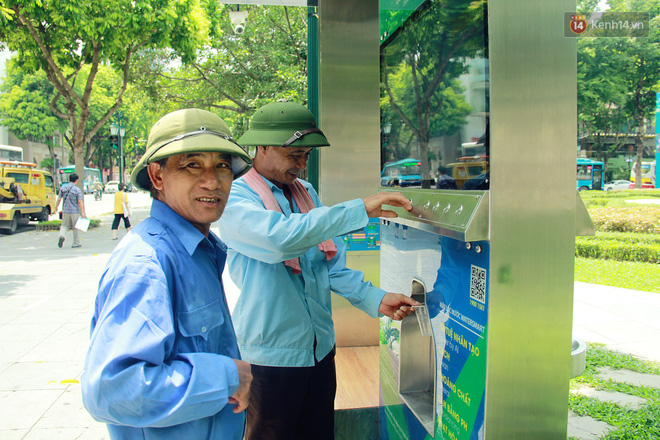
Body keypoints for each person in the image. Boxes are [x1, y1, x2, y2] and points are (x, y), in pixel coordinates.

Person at [217, 101, 419, 440]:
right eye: (293, 154)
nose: (300, 164)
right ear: (261, 147)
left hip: (319, 350)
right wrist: (357, 209)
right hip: (270, 358)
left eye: (307, 156)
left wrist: (375, 298)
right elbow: (281, 240)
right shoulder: (236, 199)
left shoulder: (305, 193)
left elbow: (327, 263)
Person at [81, 109, 254, 439]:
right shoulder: (148, 263)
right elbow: (111, 391)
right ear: (157, 177)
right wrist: (228, 376)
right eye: (192, 165)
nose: (213, 180)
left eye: (222, 165)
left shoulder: (197, 249)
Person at [54, 172, 86, 248]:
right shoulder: (77, 190)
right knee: (75, 227)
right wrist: (82, 212)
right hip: (75, 211)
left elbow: (59, 199)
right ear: (76, 180)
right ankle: (76, 243)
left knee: (64, 225)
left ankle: (62, 235)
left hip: (65, 210)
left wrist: (56, 207)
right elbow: (79, 201)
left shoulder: (63, 188)